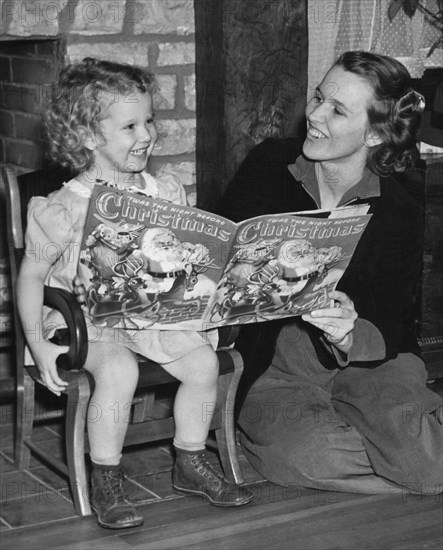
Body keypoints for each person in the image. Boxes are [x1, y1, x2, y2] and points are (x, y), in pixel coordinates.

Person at [16, 58, 253, 530]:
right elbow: (31, 278)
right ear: (88, 136)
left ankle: (189, 460)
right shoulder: (63, 207)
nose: (146, 135)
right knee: (119, 371)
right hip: (83, 320)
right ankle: (106, 473)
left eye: (149, 121)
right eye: (129, 126)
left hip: (148, 313)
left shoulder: (162, 191)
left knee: (204, 363)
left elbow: (183, 258)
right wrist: (37, 344)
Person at [220, 51, 443, 495]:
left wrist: (347, 333)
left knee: (427, 468)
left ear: (377, 133)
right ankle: (394, 440)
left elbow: (390, 317)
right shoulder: (269, 164)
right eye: (318, 97)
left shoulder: (398, 208)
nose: (315, 115)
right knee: (306, 457)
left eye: (337, 110)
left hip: (366, 360)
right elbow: (224, 255)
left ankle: (403, 443)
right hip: (274, 361)